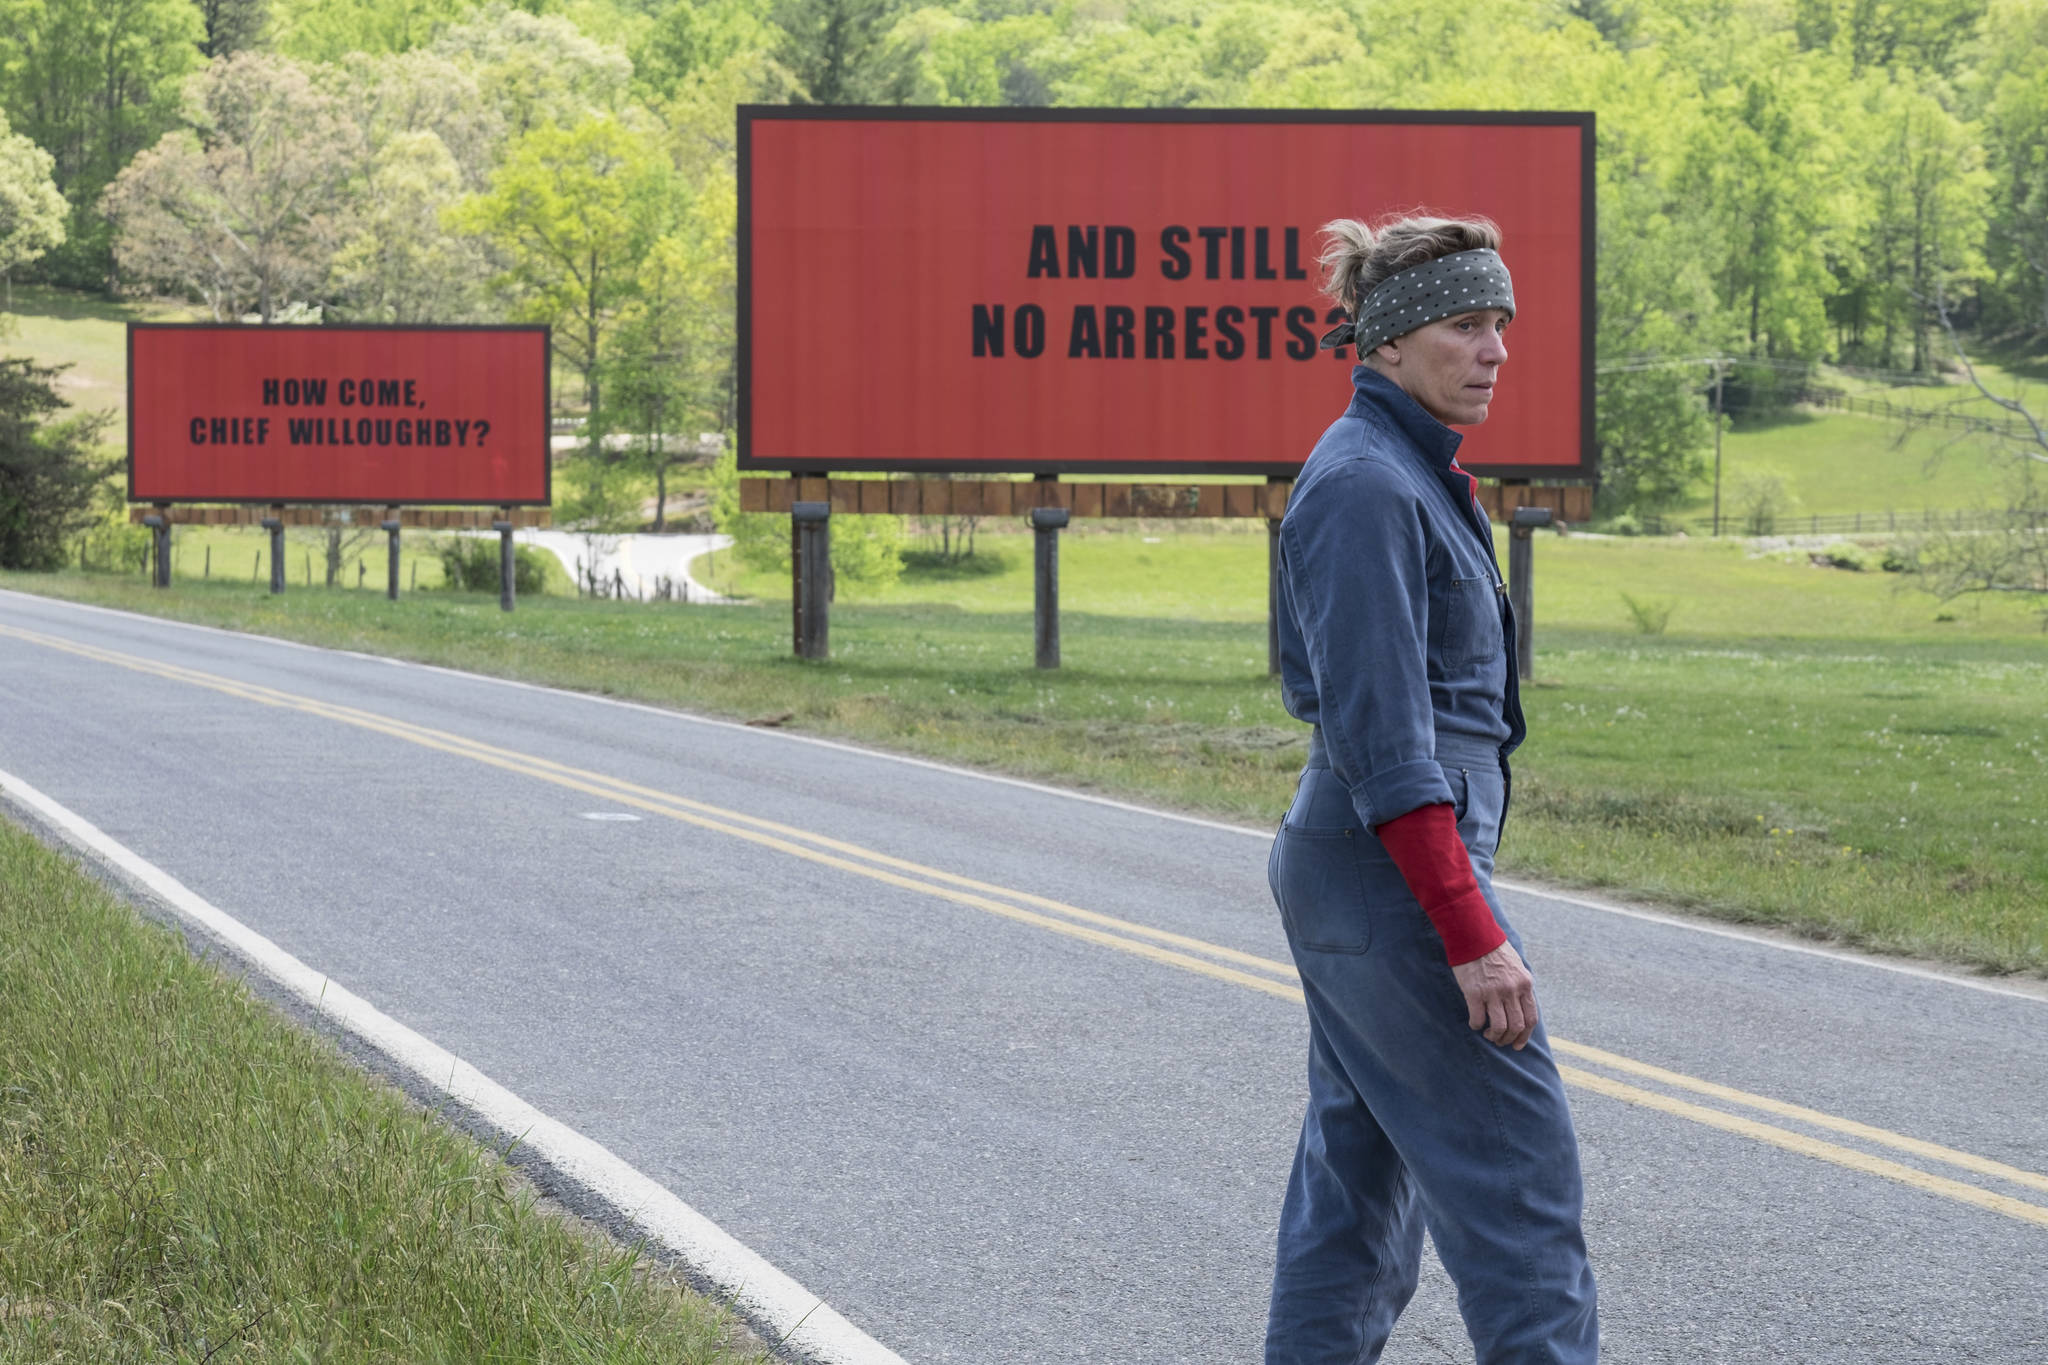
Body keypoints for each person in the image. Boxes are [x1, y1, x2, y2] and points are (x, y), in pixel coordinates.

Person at [1263, 214, 1599, 1364]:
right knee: (1518, 1193)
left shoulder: (1403, 472)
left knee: (1356, 1194)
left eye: (1500, 324)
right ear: (1390, 342)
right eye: (1466, 324)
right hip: (1388, 870)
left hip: (1371, 867)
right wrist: (1467, 929)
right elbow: (1384, 742)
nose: (1494, 349)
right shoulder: (1363, 487)